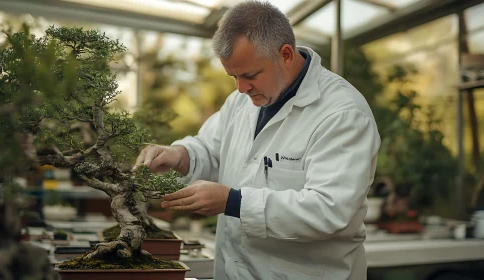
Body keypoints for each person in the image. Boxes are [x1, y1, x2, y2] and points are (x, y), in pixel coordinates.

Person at [135, 1, 381, 279]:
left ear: (285, 54)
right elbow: (212, 150)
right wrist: (180, 155)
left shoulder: (342, 113)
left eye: (250, 75)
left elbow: (329, 210)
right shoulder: (241, 102)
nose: (241, 88)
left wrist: (234, 202)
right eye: (234, 77)